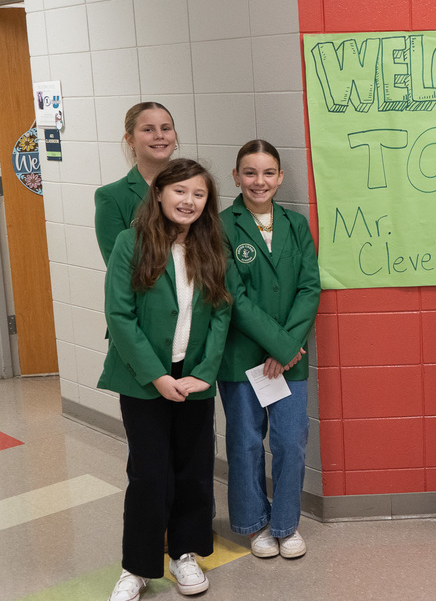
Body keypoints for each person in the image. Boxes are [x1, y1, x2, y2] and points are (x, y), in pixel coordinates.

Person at [101, 160, 232, 601]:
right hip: (144, 379)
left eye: (198, 194)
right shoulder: (130, 242)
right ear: (159, 194)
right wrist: (156, 376)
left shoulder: (213, 245)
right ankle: (136, 568)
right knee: (149, 475)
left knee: (194, 471)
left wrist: (205, 372)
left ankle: (184, 554)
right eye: (180, 192)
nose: (188, 201)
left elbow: (221, 312)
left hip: (193, 378)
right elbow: (119, 315)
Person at [219, 140, 321, 559]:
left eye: (267, 173)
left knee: (290, 441)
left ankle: (285, 524)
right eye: (249, 172)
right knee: (244, 443)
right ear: (236, 176)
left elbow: (309, 287)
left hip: (290, 360)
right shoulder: (221, 226)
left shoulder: (296, 225)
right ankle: (254, 524)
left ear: (279, 178)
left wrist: (287, 348)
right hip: (242, 357)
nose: (258, 181)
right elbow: (233, 296)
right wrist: (278, 344)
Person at [95, 102, 178, 264]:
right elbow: (118, 268)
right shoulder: (112, 196)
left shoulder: (195, 187)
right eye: (148, 129)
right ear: (130, 139)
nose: (159, 135)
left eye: (166, 128)